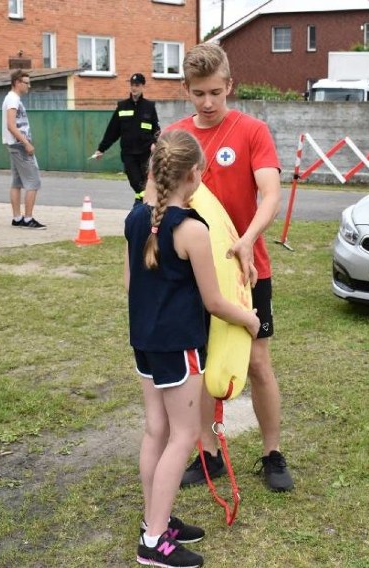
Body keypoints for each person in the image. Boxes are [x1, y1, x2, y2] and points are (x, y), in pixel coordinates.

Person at [146, 43, 294, 492]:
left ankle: (272, 453)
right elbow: (152, 196)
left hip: (248, 269)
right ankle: (208, 454)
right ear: (186, 91)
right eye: (198, 94)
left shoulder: (252, 131)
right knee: (200, 367)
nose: (208, 103)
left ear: (230, 86)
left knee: (257, 362)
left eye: (215, 92)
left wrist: (248, 240)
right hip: (189, 274)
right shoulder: (173, 135)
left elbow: (269, 194)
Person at [126, 130, 260, 567]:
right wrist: (250, 319)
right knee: (183, 435)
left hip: (144, 342)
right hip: (178, 346)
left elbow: (129, 284)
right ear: (196, 175)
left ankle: (156, 519)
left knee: (156, 431)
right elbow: (214, 302)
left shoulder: (134, 218)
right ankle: (153, 541)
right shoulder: (192, 230)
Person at [92, 73, 160, 203]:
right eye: (132, 85)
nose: (134, 88)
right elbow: (112, 131)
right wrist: (101, 149)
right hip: (129, 154)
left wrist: (155, 143)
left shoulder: (149, 107)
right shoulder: (122, 106)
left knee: (145, 183)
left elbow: (156, 129)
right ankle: (146, 204)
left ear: (142, 86)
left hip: (145, 153)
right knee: (135, 182)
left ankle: (142, 206)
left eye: (137, 85)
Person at [2, 69, 46, 229]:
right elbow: (11, 125)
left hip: (14, 145)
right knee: (33, 182)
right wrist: (26, 143)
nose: (29, 86)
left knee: (17, 182)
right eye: (26, 83)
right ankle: (28, 219)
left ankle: (17, 218)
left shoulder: (11, 98)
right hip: (19, 145)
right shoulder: (13, 99)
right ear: (17, 83)